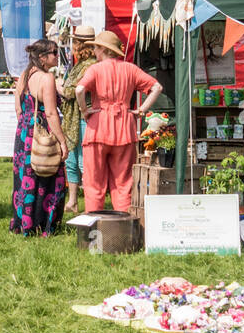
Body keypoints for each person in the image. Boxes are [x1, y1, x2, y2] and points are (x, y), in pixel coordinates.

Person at [75, 30, 163, 214]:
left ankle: (94, 228)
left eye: (96, 48)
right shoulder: (130, 69)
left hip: (97, 128)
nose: (94, 52)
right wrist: (141, 110)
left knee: (94, 183)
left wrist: (84, 110)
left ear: (102, 49)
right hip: (124, 128)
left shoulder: (95, 69)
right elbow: (157, 87)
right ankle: (123, 228)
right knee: (123, 184)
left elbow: (80, 89)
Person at [10, 38, 69, 236]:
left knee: (25, 177)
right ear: (42, 58)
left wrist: (26, 125)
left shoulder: (25, 75)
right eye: (53, 52)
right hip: (43, 129)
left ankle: (23, 223)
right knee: (47, 173)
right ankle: (44, 224)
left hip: (24, 132)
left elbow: (18, 107)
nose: (56, 55)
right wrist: (62, 141)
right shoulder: (47, 78)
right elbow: (51, 113)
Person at [58, 25, 98, 214]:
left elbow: (70, 91)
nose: (72, 46)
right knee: (71, 162)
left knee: (84, 163)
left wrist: (58, 85)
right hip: (73, 118)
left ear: (80, 45)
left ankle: (91, 205)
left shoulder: (90, 65)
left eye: (74, 42)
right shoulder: (79, 65)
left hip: (84, 118)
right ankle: (72, 201)